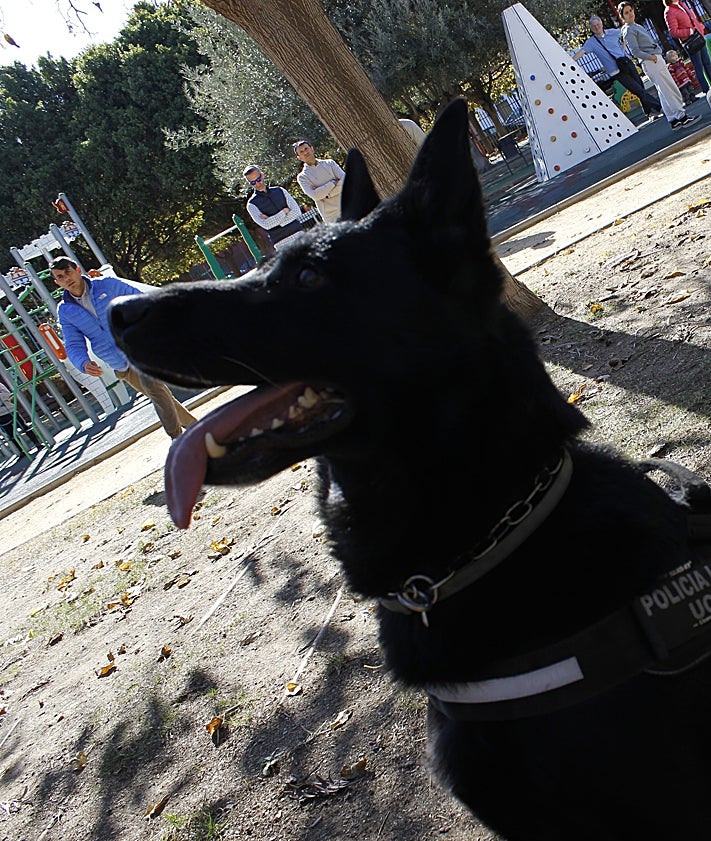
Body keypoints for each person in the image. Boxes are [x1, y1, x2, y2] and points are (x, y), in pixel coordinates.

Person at [49, 256, 197, 440]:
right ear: (57, 282)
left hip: (139, 345)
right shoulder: (65, 311)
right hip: (118, 362)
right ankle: (195, 427)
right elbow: (72, 343)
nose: (66, 279)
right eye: (60, 277)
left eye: (68, 272)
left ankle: (176, 437)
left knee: (152, 386)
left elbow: (141, 300)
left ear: (78, 270)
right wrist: (83, 362)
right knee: (158, 395)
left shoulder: (108, 285)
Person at [618, 1, 701, 129]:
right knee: (668, 88)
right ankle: (682, 116)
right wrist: (651, 57)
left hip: (654, 58)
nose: (630, 14)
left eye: (630, 10)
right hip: (651, 61)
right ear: (622, 16)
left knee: (663, 91)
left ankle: (673, 119)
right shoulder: (629, 30)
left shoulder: (635, 26)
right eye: (626, 13)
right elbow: (635, 51)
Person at [572, 14, 663, 119]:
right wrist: (570, 61)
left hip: (626, 63)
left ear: (601, 24)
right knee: (637, 90)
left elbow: (625, 34)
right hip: (616, 71)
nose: (597, 27)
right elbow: (581, 52)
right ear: (591, 29)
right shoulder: (591, 42)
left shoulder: (612, 32)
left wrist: (623, 47)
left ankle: (649, 113)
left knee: (640, 88)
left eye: (598, 24)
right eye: (594, 26)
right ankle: (659, 107)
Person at [242, 165, 306, 250]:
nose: (257, 184)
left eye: (258, 179)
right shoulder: (251, 205)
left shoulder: (280, 190)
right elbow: (266, 225)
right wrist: (284, 212)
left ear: (262, 175)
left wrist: (275, 222)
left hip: (300, 235)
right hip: (281, 245)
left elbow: (296, 212)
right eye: (253, 182)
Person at [664, 0, 711, 94]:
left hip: (698, 37)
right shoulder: (669, 11)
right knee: (698, 67)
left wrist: (700, 27)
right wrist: (689, 32)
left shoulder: (682, 4)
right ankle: (706, 91)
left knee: (707, 63)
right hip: (690, 42)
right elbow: (673, 32)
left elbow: (692, 19)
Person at [292, 140, 345, 223]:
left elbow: (345, 181)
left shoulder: (330, 163)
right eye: (301, 152)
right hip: (331, 216)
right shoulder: (302, 177)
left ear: (312, 149)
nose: (305, 152)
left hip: (348, 204)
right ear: (299, 158)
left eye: (306, 149)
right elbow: (315, 195)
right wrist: (333, 183)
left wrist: (327, 194)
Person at [0, 381, 42, 450]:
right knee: (10, 434)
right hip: (1, 416)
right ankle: (21, 450)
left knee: (24, 426)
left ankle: (37, 443)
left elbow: (6, 393)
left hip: (10, 410)